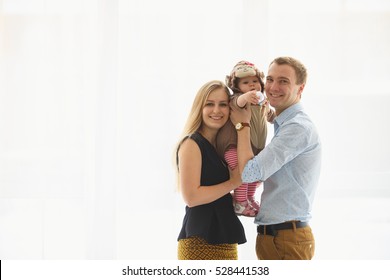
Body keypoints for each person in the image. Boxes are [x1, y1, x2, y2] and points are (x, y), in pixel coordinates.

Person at [230, 57, 322, 260]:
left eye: (283, 81)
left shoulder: (297, 127)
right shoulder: (283, 122)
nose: (272, 87)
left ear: (301, 88)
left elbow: (250, 172)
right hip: (275, 236)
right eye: (270, 79)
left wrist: (242, 125)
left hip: (287, 239)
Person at [175, 80, 246, 260]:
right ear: (200, 108)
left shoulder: (220, 146)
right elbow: (191, 197)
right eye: (209, 104)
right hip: (200, 242)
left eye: (223, 104)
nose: (217, 110)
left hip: (224, 238)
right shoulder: (192, 143)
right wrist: (233, 182)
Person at [216, 60, 275, 217]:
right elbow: (237, 102)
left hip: (254, 147)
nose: (252, 85)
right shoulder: (239, 100)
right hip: (233, 146)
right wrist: (246, 97)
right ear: (237, 86)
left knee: (255, 174)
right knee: (243, 173)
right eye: (246, 83)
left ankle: (248, 198)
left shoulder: (263, 103)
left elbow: (272, 117)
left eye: (255, 81)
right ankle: (240, 203)